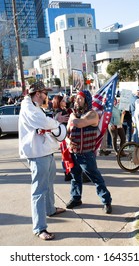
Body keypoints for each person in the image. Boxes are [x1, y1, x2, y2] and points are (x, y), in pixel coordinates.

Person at [18, 81, 66, 241]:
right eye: (45, 93)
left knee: (49, 181)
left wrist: (52, 122)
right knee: (39, 189)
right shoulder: (29, 108)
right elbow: (45, 122)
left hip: (44, 151)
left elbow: (43, 123)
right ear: (38, 93)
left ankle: (50, 209)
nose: (47, 96)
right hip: (37, 153)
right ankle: (39, 228)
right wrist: (57, 122)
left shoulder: (33, 106)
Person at [65, 90, 112, 214]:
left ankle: (106, 201)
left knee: (96, 178)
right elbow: (66, 132)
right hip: (73, 152)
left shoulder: (92, 114)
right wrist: (68, 141)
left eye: (80, 98)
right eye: (76, 99)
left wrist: (71, 116)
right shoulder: (74, 114)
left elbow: (79, 123)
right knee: (75, 177)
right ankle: (76, 198)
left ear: (87, 100)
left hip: (86, 154)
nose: (77, 101)